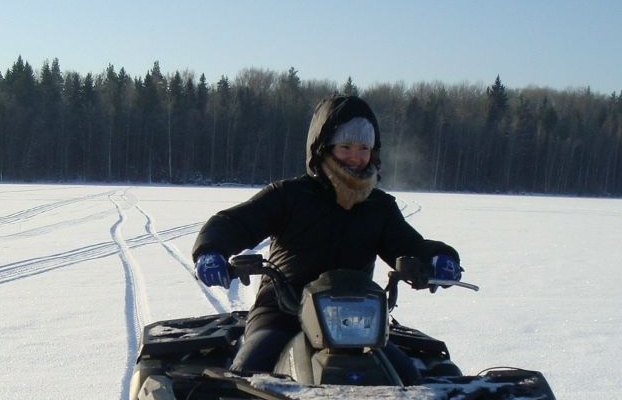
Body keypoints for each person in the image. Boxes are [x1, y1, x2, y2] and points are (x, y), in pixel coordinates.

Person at [193, 93, 461, 380]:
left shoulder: (379, 207)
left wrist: (436, 258)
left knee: (409, 381)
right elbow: (234, 222)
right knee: (251, 373)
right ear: (322, 148)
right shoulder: (289, 196)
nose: (356, 157)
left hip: (355, 321)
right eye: (345, 147)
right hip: (283, 313)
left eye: (363, 148)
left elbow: (408, 244)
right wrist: (212, 250)